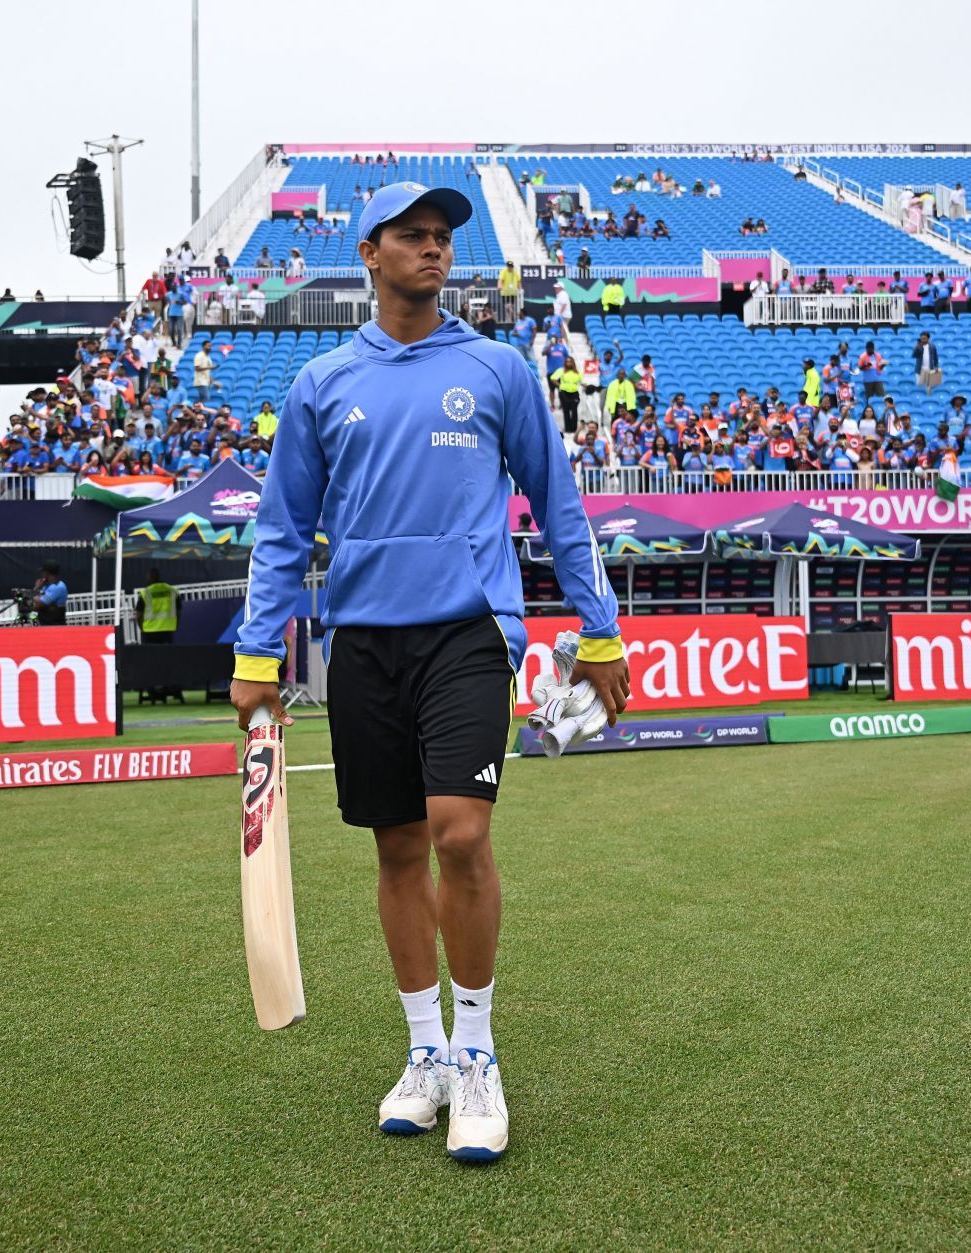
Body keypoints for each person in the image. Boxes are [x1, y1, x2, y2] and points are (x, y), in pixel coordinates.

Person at [229, 179, 629, 1165]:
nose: (433, 250)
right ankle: (427, 1053)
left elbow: (559, 505)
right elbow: (283, 530)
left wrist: (600, 631)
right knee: (398, 846)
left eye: (443, 237)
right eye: (413, 236)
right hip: (362, 640)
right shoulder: (321, 382)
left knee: (460, 832)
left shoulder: (497, 369)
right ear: (370, 252)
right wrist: (254, 649)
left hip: (468, 632)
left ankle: (480, 1051)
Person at [139, 567, 178, 642]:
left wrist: (142, 629)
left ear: (149, 577)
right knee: (167, 652)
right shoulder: (172, 591)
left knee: (152, 653)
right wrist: (175, 625)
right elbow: (179, 612)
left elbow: (138, 615)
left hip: (150, 630)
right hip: (168, 629)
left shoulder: (145, 593)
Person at [32, 561, 68, 625]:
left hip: (55, 627)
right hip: (45, 624)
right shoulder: (46, 585)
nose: (41, 574)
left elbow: (36, 606)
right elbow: (34, 604)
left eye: (43, 572)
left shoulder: (57, 587)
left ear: (47, 573)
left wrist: (36, 591)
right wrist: (37, 588)